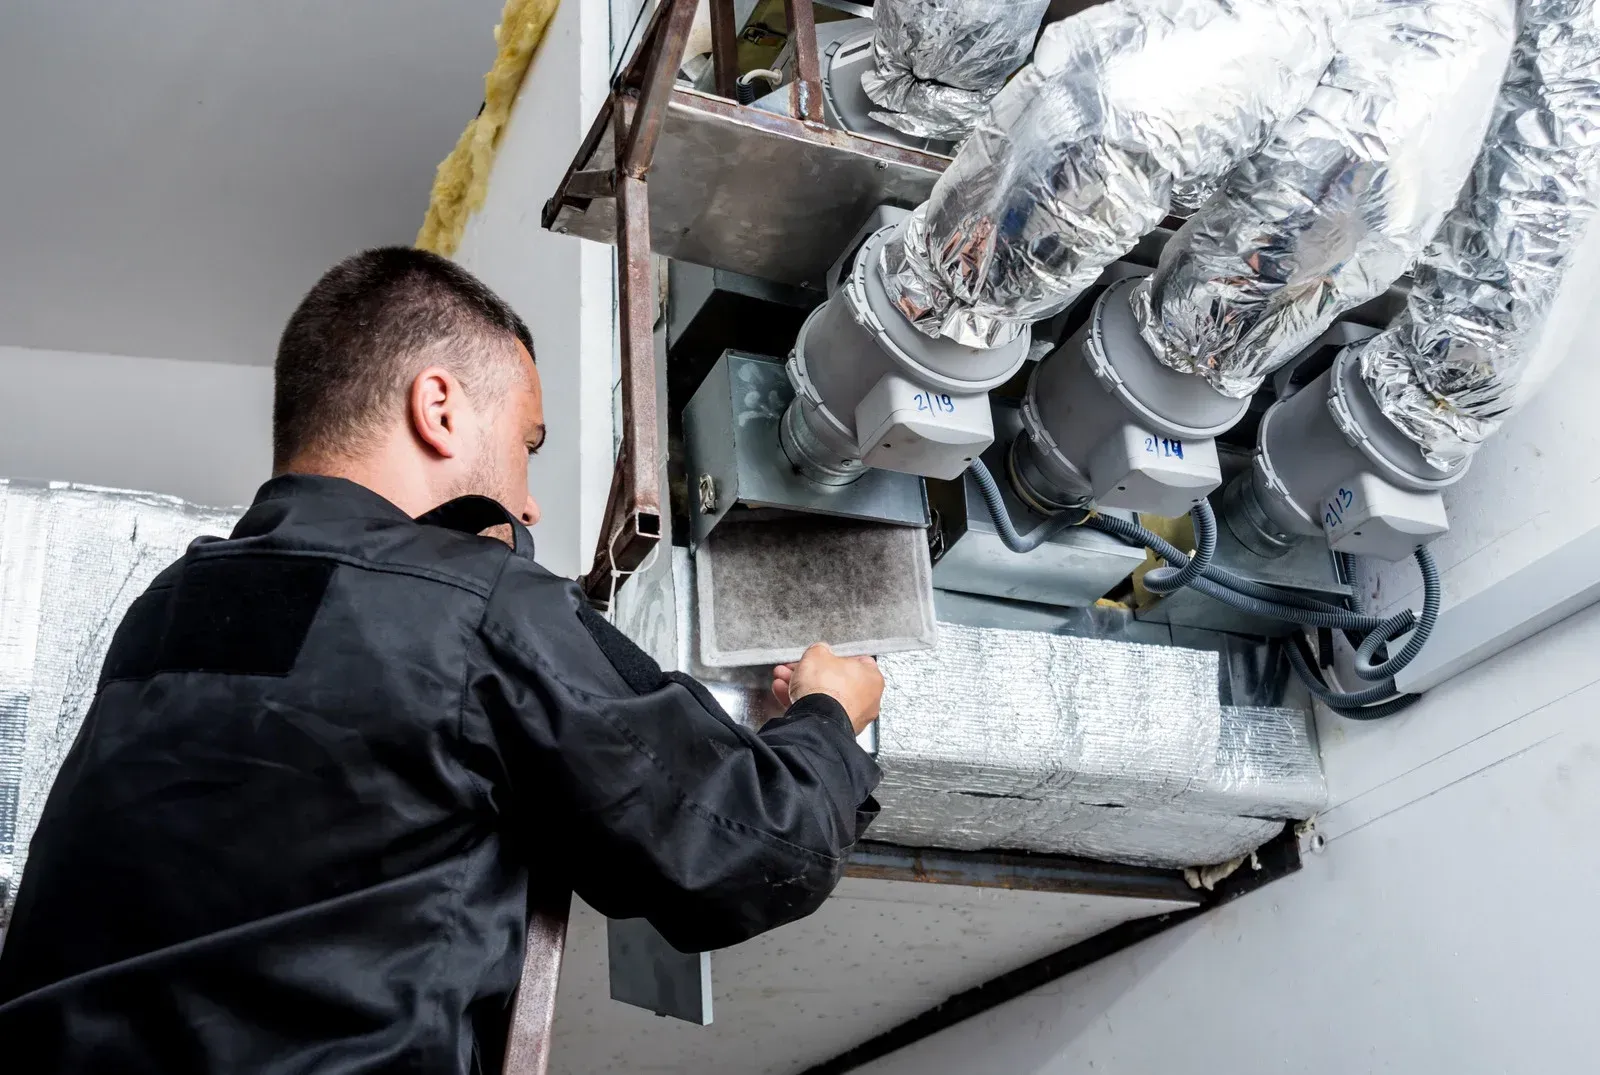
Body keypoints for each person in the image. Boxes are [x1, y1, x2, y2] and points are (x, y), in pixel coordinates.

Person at [0, 247, 885, 1072]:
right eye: (527, 444)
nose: (531, 504)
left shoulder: (162, 612)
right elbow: (751, 841)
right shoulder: (468, 600)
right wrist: (829, 717)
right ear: (440, 407)